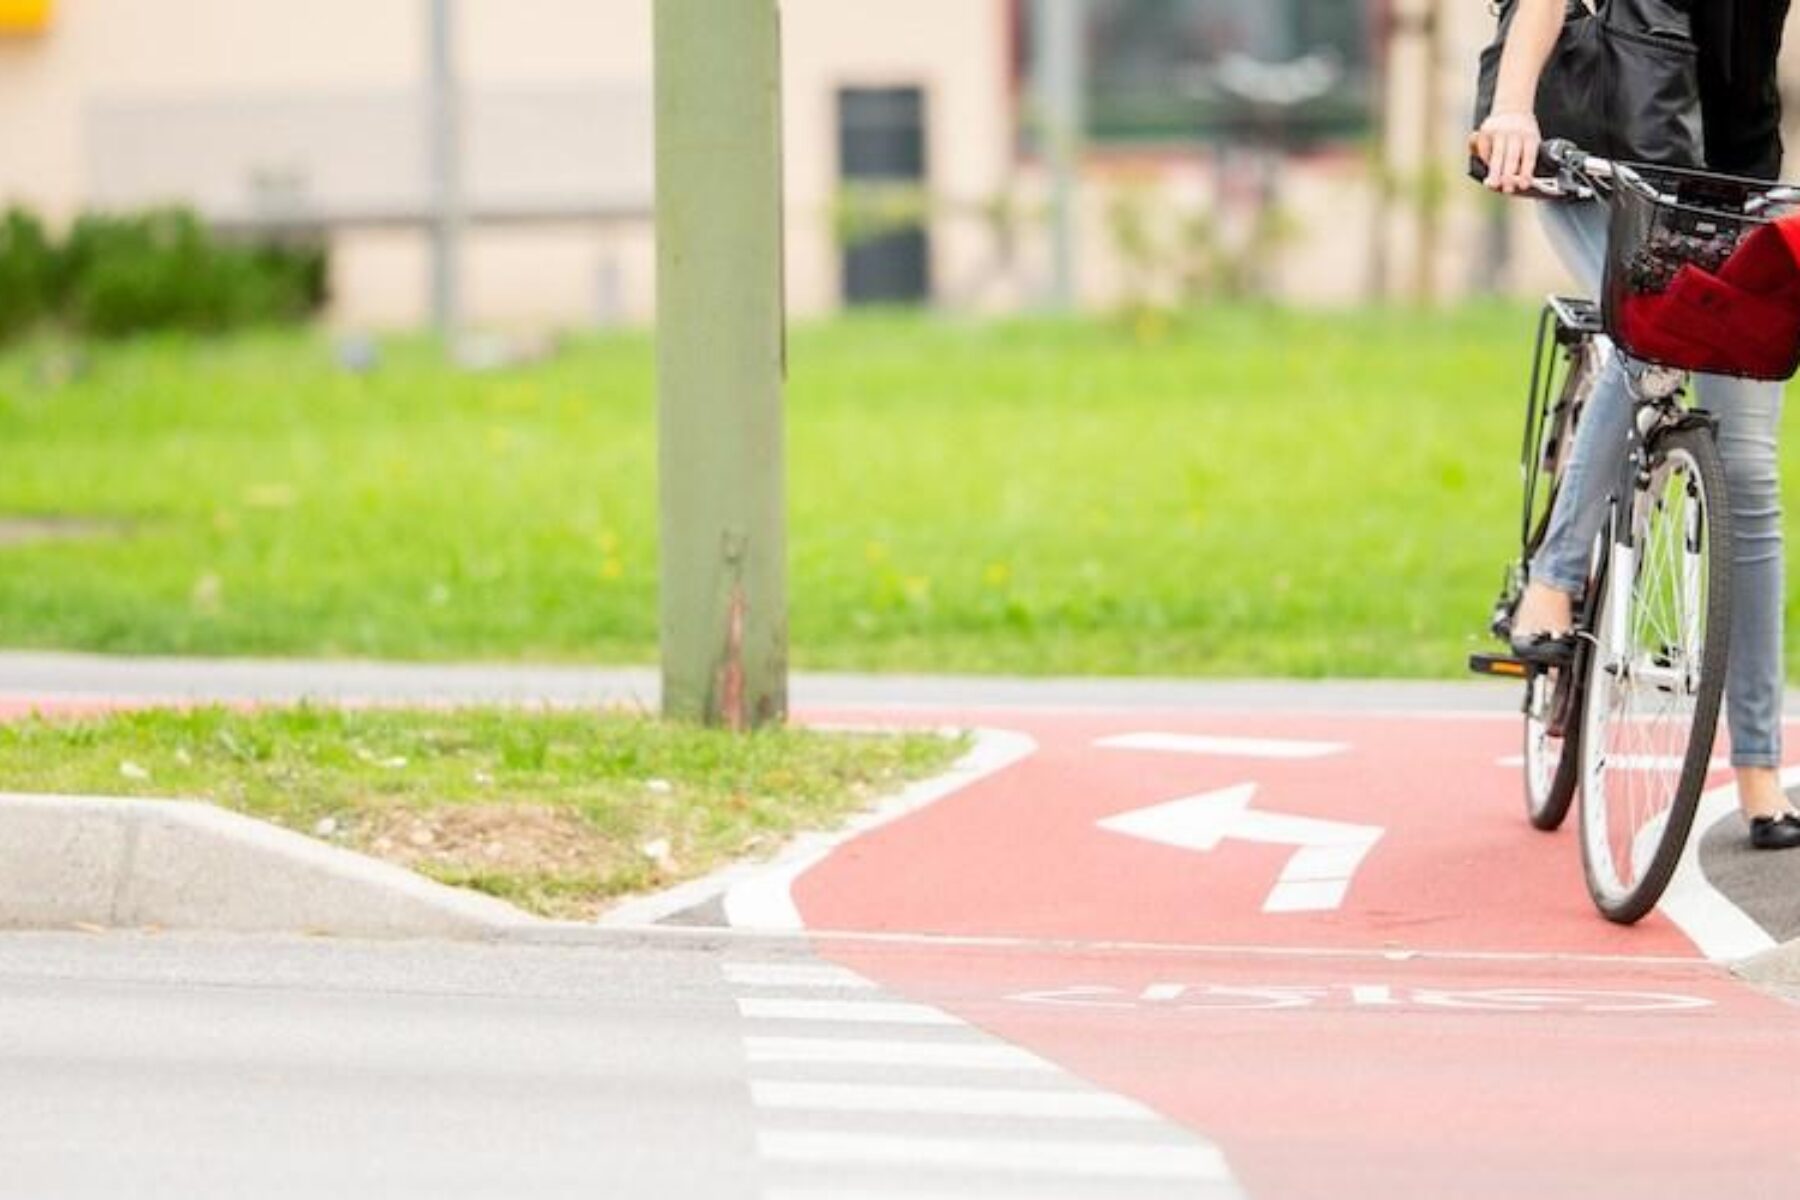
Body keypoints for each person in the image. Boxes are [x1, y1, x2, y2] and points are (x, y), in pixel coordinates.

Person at [1471, 0, 1800, 849]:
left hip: (1734, 183)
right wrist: (1513, 103)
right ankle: (1558, 573)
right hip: (1603, 158)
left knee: (1753, 475)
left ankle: (1760, 769)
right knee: (1649, 343)